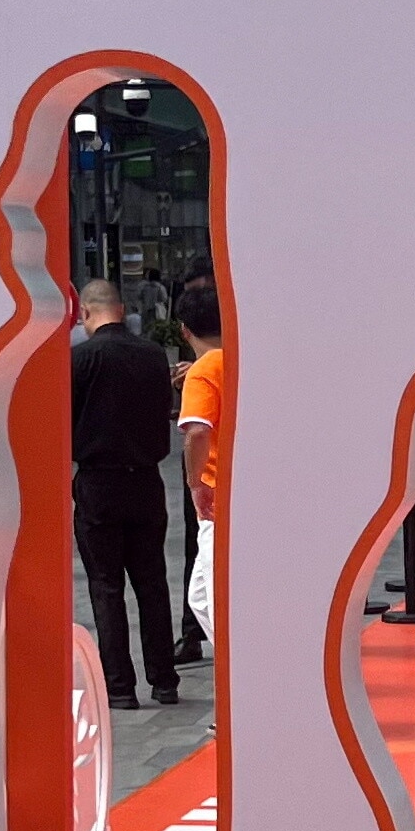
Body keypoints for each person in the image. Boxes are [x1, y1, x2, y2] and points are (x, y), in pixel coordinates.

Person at [69, 276, 180, 711]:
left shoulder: (80, 360)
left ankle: (120, 687)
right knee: (152, 583)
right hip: (147, 480)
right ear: (121, 310)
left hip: (99, 482)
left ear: (86, 313)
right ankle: (164, 680)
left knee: (105, 586)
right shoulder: (153, 355)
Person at [173, 278, 228, 655]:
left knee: (212, 600)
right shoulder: (239, 361)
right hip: (240, 491)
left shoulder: (202, 371)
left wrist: (195, 483)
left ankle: (239, 669)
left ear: (184, 330)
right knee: (201, 596)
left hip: (216, 494)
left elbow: (197, 429)